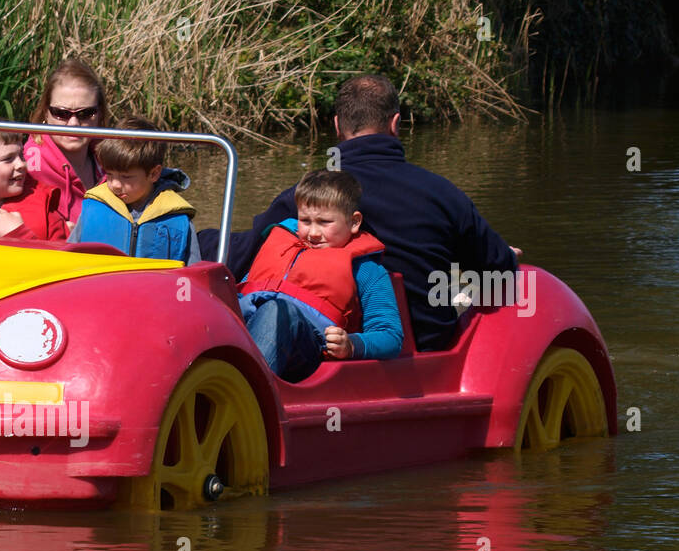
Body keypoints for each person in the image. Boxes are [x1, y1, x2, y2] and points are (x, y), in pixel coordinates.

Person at [199, 74, 517, 351]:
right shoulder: (444, 194)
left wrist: (202, 239)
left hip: (340, 344)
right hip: (428, 346)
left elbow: (236, 256)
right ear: (395, 124)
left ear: (337, 126)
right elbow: (500, 271)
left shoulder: (304, 199)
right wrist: (505, 254)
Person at [240, 169, 402, 382]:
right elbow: (245, 292)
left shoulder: (366, 270)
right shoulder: (281, 244)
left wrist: (351, 345)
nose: (313, 233)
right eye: (305, 221)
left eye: (325, 222)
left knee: (278, 311)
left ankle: (245, 395)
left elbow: (391, 336)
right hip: (248, 335)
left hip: (309, 353)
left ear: (354, 222)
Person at [68, 117, 201, 263]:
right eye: (109, 174)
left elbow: (193, 271)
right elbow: (68, 256)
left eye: (126, 177)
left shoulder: (178, 218)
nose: (115, 185)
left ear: (154, 174)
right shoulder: (93, 208)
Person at [24, 59, 109, 225]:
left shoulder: (112, 160)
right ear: (45, 113)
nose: (74, 124)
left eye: (86, 113)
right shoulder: (25, 165)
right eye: (61, 113)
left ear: (100, 113)